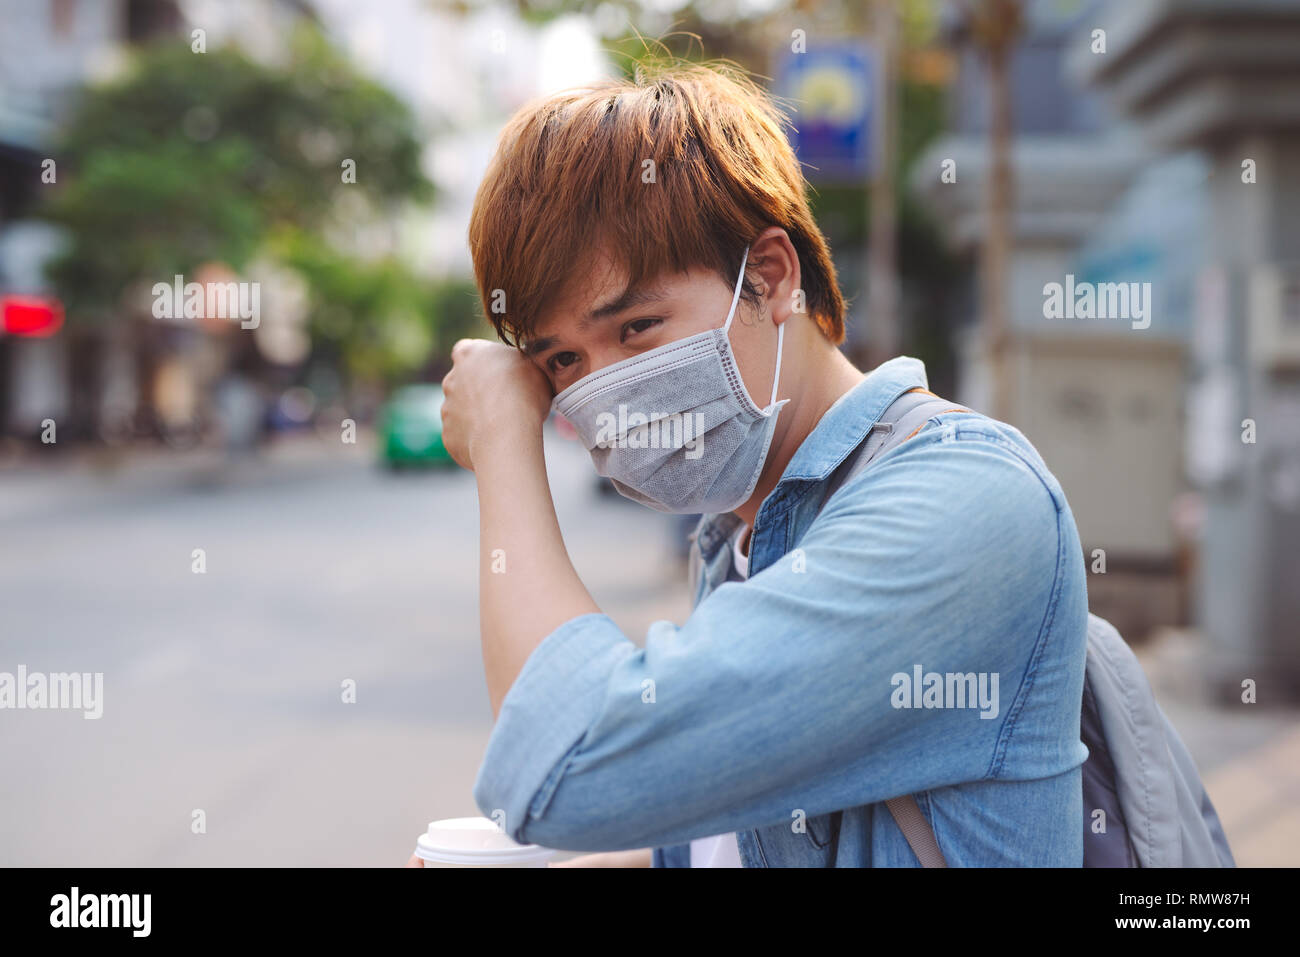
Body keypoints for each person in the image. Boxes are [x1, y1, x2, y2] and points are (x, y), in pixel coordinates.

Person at [427, 62, 1089, 867]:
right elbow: (739, 835)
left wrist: (504, 440)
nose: (605, 391)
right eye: (562, 360)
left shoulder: (964, 503)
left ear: (771, 276)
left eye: (636, 328)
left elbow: (562, 766)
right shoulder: (749, 533)